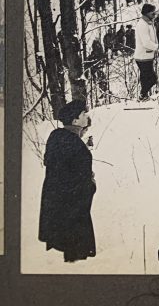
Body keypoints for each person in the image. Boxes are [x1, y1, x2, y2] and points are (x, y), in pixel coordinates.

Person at [39, 100, 96, 263]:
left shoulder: (57, 137)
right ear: (75, 120)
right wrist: (91, 183)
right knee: (75, 251)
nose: (87, 116)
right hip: (73, 205)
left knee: (65, 243)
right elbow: (77, 175)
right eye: (83, 114)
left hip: (57, 203)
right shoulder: (74, 144)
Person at [134, 3, 159, 100]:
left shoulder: (148, 23)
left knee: (145, 78)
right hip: (143, 56)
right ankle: (142, 95)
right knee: (152, 79)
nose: (154, 14)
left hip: (146, 56)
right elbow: (146, 42)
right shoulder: (142, 24)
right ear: (147, 13)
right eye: (152, 12)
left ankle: (143, 96)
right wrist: (157, 47)